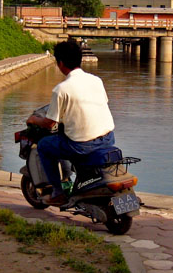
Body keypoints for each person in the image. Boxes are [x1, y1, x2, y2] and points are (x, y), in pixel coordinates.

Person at [26, 39, 116, 206]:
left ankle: (57, 192)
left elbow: (49, 123)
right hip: (109, 138)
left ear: (60, 63)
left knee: (45, 146)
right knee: (66, 140)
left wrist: (33, 120)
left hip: (82, 145)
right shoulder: (96, 80)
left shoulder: (61, 89)